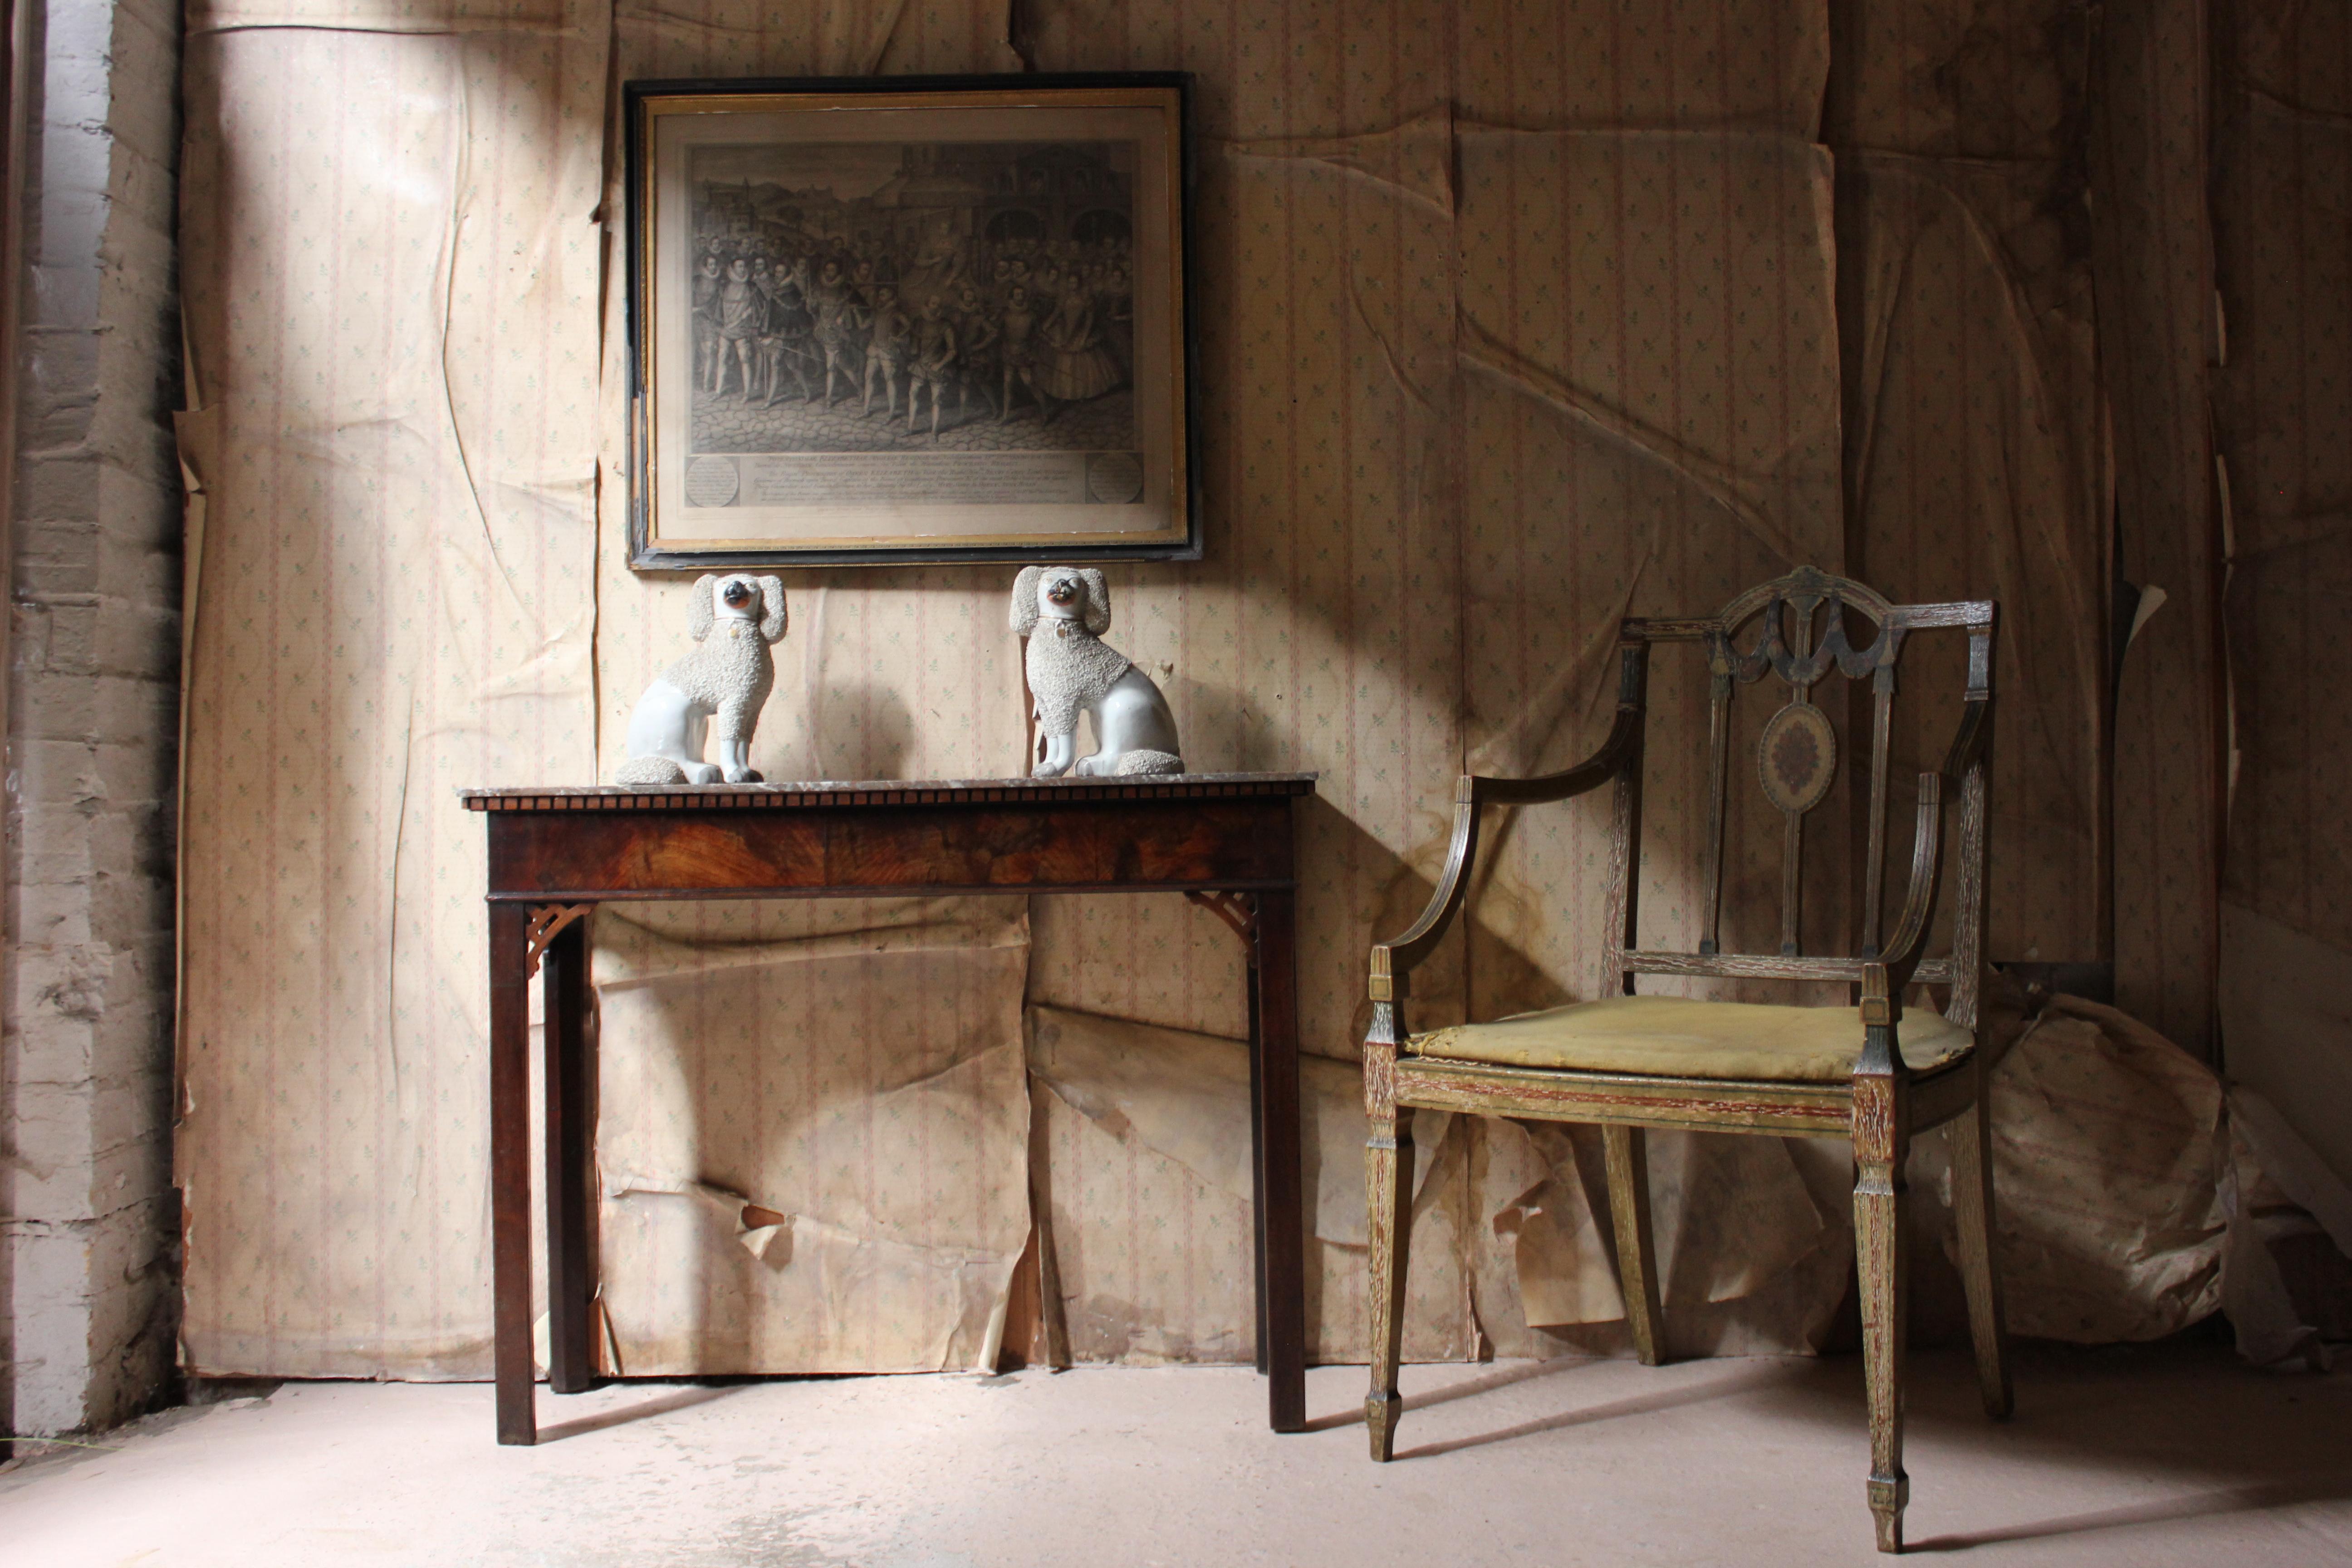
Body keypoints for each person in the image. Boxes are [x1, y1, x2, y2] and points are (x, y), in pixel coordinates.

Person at [1032, 274, 1121, 415]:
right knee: (1065, 362)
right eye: (1070, 283)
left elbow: (1089, 321)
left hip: (1079, 331)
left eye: (1075, 283)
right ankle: (1068, 395)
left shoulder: (1086, 299)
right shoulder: (1064, 298)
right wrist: (1046, 325)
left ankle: (1082, 394)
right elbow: (1057, 313)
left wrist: (1084, 338)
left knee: (1082, 364)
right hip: (1065, 331)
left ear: (1079, 284)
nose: (1072, 286)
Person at [807, 257, 867, 406]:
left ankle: (829, 399)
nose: (829, 273)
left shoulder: (843, 289)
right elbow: (813, 310)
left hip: (835, 332)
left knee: (831, 367)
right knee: (841, 364)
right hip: (822, 330)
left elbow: (848, 310)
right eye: (827, 270)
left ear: (838, 272)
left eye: (832, 270)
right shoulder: (819, 288)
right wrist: (810, 304)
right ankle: (861, 389)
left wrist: (840, 319)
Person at [905, 293, 961, 438]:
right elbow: (914, 346)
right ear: (927, 305)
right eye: (933, 303)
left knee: (936, 400)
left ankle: (934, 431)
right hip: (921, 365)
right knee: (913, 394)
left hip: (937, 367)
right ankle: (910, 428)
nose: (935, 307)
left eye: (938, 304)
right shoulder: (919, 322)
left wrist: (940, 364)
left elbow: (952, 350)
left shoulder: (945, 326)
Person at [713, 255, 763, 398]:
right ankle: (718, 391)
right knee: (722, 358)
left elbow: (761, 306)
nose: (742, 269)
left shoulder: (751, 287)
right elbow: (719, 309)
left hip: (742, 329)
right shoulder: (724, 287)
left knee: (744, 359)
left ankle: (747, 393)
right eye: (739, 267)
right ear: (733, 269)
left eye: (744, 266)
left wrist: (751, 313)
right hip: (727, 328)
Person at [861, 283, 912, 419]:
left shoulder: (896, 313)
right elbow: (864, 326)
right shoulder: (877, 311)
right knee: (868, 377)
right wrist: (857, 314)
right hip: (875, 347)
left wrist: (898, 337)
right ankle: (866, 409)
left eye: (884, 295)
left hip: (887, 350)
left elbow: (908, 325)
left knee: (890, 380)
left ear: (891, 297)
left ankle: (891, 412)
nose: (880, 297)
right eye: (880, 294)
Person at [692, 252, 723, 392]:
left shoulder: (718, 283)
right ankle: (703, 381)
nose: (713, 267)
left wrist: (702, 310)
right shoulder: (696, 281)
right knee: (701, 351)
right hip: (696, 320)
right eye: (710, 264)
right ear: (705, 266)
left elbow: (718, 303)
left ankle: (706, 384)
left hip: (710, 320)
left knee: (710, 351)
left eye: (714, 265)